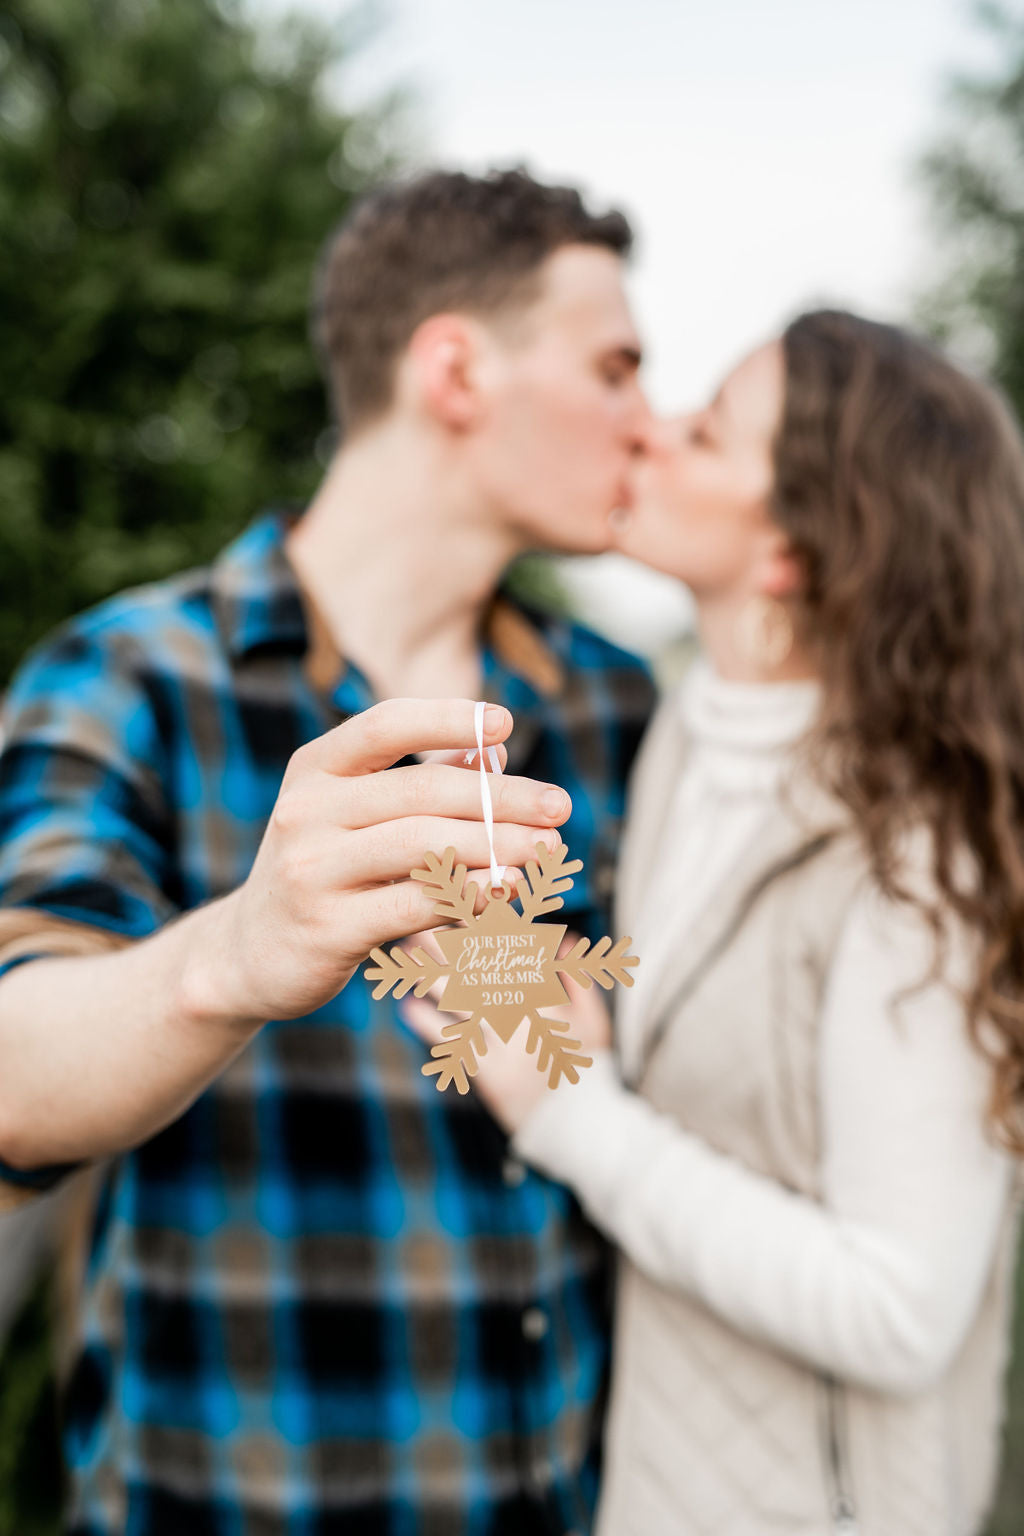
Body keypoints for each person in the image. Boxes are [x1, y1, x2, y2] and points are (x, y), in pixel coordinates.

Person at [0, 167, 656, 1535]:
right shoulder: (130, 677)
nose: (646, 426)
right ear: (456, 369)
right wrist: (231, 956)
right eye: (614, 368)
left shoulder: (615, 705)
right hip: (225, 1498)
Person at [410, 310, 1024, 1534]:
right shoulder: (680, 736)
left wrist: (570, 1116)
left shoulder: (917, 858)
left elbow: (900, 1313)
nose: (651, 431)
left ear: (793, 545)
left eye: (704, 432)